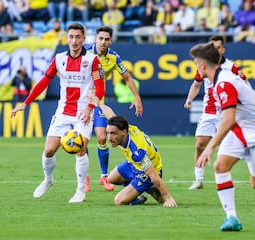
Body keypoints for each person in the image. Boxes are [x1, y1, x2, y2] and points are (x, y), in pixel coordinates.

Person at [10, 23, 105, 203]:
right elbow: (44, 82)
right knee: (48, 151)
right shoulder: (59, 58)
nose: (74, 41)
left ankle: (80, 191)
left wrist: (89, 108)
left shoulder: (93, 60)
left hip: (82, 113)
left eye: (78, 37)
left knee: (80, 148)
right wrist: (25, 103)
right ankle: (48, 180)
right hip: (63, 112)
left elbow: (100, 89)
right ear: (66, 38)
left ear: (84, 39)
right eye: (71, 37)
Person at [192, 42, 255, 232]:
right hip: (240, 129)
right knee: (220, 166)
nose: (195, 67)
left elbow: (228, 119)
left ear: (203, 65)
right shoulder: (220, 80)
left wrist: (210, 147)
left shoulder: (225, 82)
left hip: (252, 129)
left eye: (196, 63)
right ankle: (232, 218)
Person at [89, 94, 177, 207]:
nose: (109, 137)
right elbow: (110, 115)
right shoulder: (125, 128)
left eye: (112, 133)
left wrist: (168, 198)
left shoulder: (137, 152)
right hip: (133, 165)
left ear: (123, 132)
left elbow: (153, 174)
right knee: (111, 178)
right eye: (108, 133)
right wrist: (99, 104)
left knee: (119, 201)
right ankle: (137, 192)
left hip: (147, 171)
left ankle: (148, 188)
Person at [184, 35, 246, 190]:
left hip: (227, 111)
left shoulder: (231, 67)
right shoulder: (205, 65)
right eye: (212, 47)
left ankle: (225, 175)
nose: (215, 50)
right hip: (209, 111)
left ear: (222, 49)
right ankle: (199, 179)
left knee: (232, 146)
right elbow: (196, 84)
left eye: (218, 47)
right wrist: (189, 99)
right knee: (200, 144)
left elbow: (244, 83)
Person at [85, 25, 143, 192]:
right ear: (95, 39)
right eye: (100, 38)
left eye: (106, 39)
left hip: (99, 102)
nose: (103, 42)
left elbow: (128, 77)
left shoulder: (114, 57)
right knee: (82, 141)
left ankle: (104, 176)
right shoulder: (84, 53)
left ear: (111, 41)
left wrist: (137, 97)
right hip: (82, 102)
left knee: (102, 138)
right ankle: (84, 178)